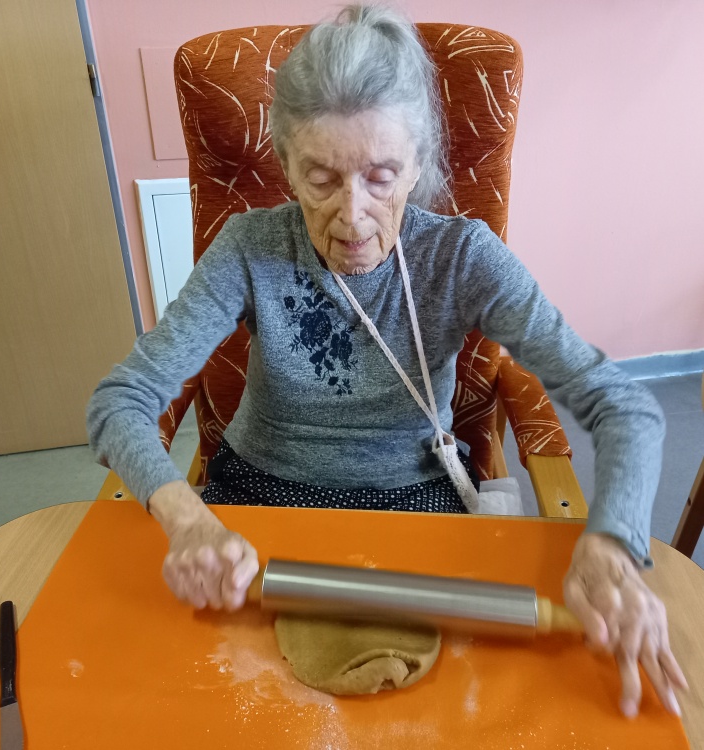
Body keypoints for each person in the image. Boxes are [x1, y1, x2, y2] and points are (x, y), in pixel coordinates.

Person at [87, 4, 687, 719]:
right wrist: (187, 519)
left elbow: (622, 405)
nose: (353, 217)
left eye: (381, 177)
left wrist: (613, 544)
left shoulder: (461, 257)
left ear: (420, 165)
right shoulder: (250, 248)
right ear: (285, 166)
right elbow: (119, 402)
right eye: (321, 177)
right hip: (257, 511)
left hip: (416, 507)